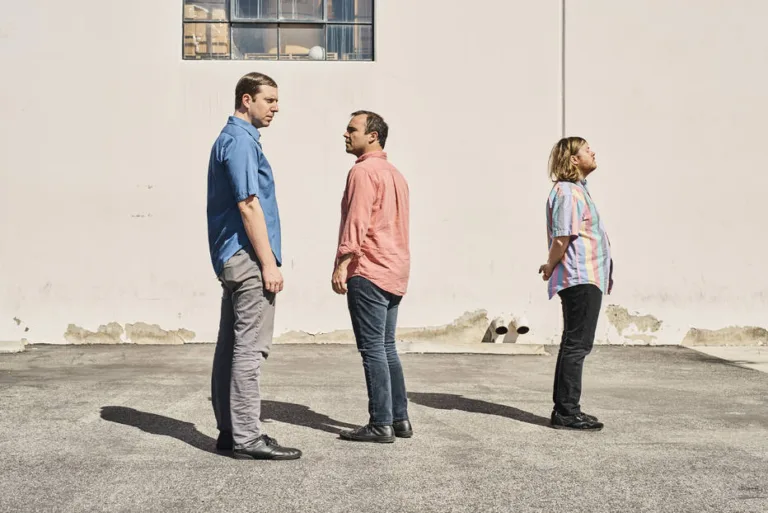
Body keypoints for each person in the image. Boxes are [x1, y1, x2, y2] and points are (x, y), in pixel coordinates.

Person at [207, 72, 301, 460]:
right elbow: (248, 204)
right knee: (249, 349)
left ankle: (231, 431)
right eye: (269, 100)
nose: (276, 108)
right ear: (247, 100)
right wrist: (269, 264)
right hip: (248, 259)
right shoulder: (242, 142)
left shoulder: (229, 139)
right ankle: (247, 437)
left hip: (233, 257)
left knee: (230, 347)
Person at [332, 111, 413, 443]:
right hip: (395, 269)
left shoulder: (363, 172)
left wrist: (342, 262)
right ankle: (400, 419)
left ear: (373, 136)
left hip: (369, 270)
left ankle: (381, 423)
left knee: (372, 349)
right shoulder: (396, 174)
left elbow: (358, 221)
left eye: (352, 129)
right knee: (387, 346)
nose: (345, 134)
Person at [538, 137, 613, 431]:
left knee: (575, 344)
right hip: (579, 276)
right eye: (586, 149)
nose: (593, 152)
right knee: (576, 345)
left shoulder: (578, 190)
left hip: (586, 276)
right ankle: (567, 412)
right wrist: (550, 265)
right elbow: (562, 237)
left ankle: (566, 409)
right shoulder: (568, 192)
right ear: (572, 159)